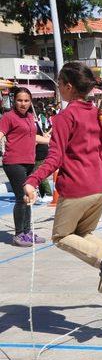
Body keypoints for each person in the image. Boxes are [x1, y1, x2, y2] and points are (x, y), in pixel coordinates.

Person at [23, 62, 102, 297]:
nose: (58, 88)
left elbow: (55, 158)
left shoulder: (64, 117)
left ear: (69, 87)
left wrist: (32, 180)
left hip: (77, 188)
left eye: (59, 84)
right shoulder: (97, 115)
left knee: (61, 237)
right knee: (82, 235)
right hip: (101, 187)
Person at [0, 87, 49, 246]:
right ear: (14, 101)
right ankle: (19, 234)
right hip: (14, 162)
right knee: (22, 198)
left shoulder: (29, 117)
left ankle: (27, 231)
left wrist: (50, 140)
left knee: (29, 197)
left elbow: (31, 136)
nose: (23, 103)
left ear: (30, 102)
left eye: (26, 100)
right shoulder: (8, 117)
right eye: (20, 100)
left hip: (29, 162)